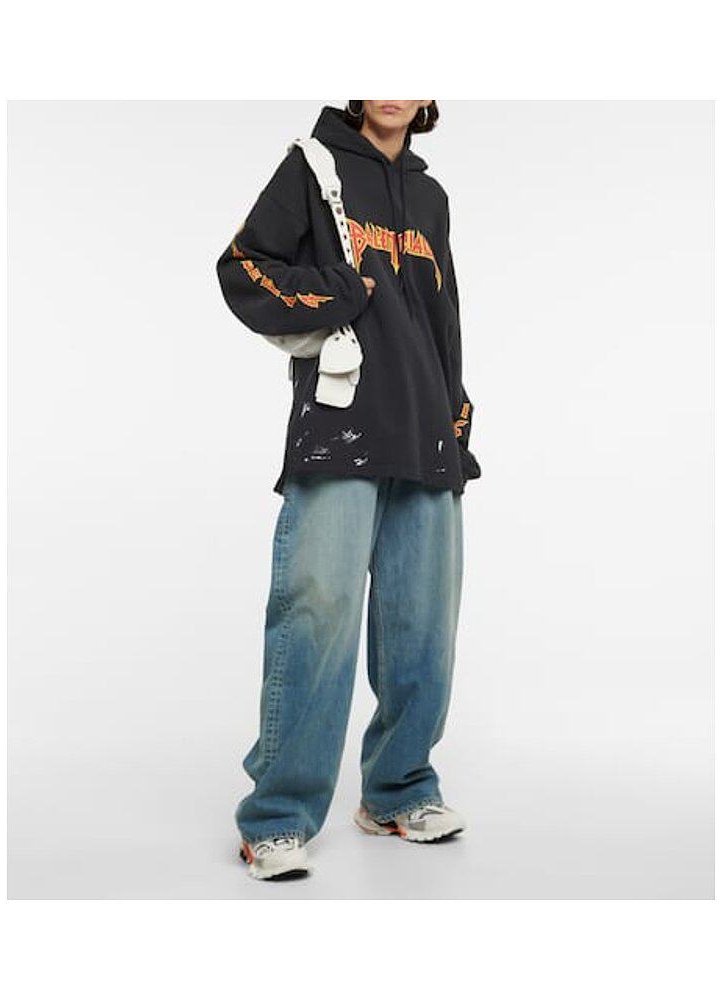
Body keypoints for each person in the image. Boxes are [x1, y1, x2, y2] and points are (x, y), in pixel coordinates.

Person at [216, 100, 481, 880]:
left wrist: (457, 421)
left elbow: (444, 317)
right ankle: (277, 816)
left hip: (427, 435)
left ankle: (399, 791)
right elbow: (243, 268)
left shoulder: (430, 197)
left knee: (423, 628)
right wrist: (341, 289)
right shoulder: (312, 166)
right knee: (316, 618)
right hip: (341, 430)